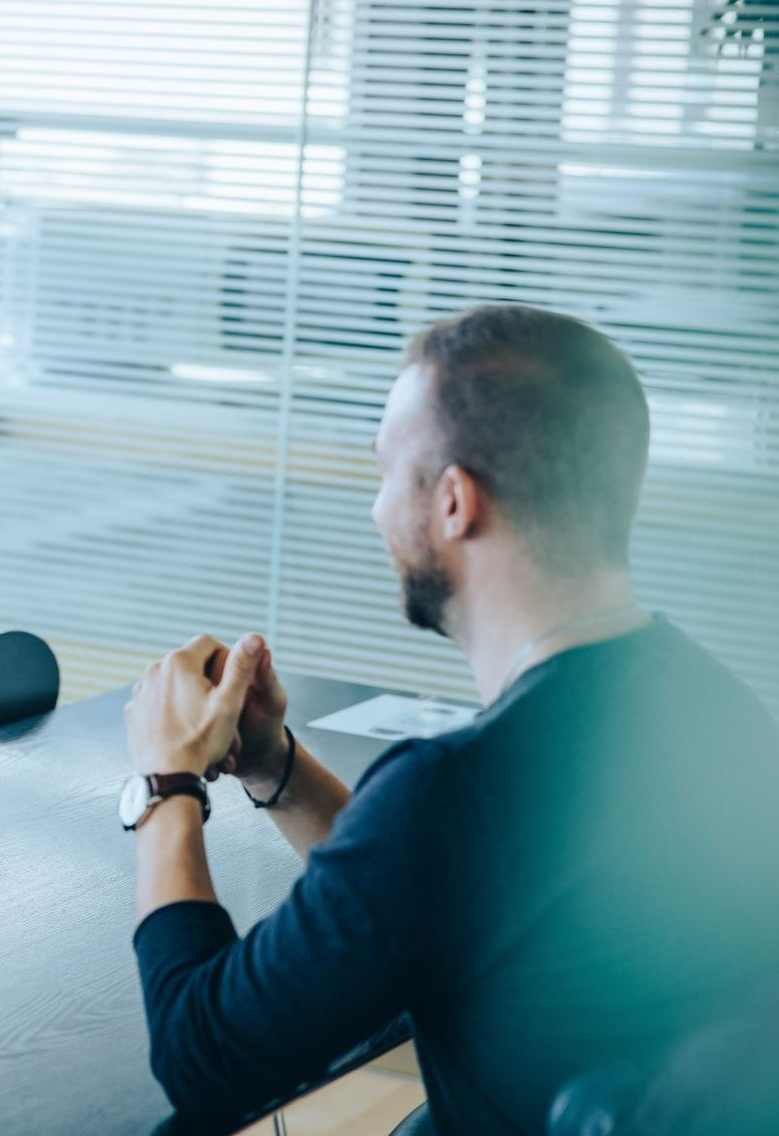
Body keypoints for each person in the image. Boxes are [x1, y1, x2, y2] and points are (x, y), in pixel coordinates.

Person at [118, 305, 779, 1133]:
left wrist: (164, 781)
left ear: (455, 502)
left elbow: (201, 1054)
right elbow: (434, 890)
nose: (373, 510)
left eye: (386, 471)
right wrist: (273, 765)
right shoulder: (714, 705)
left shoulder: (460, 787)